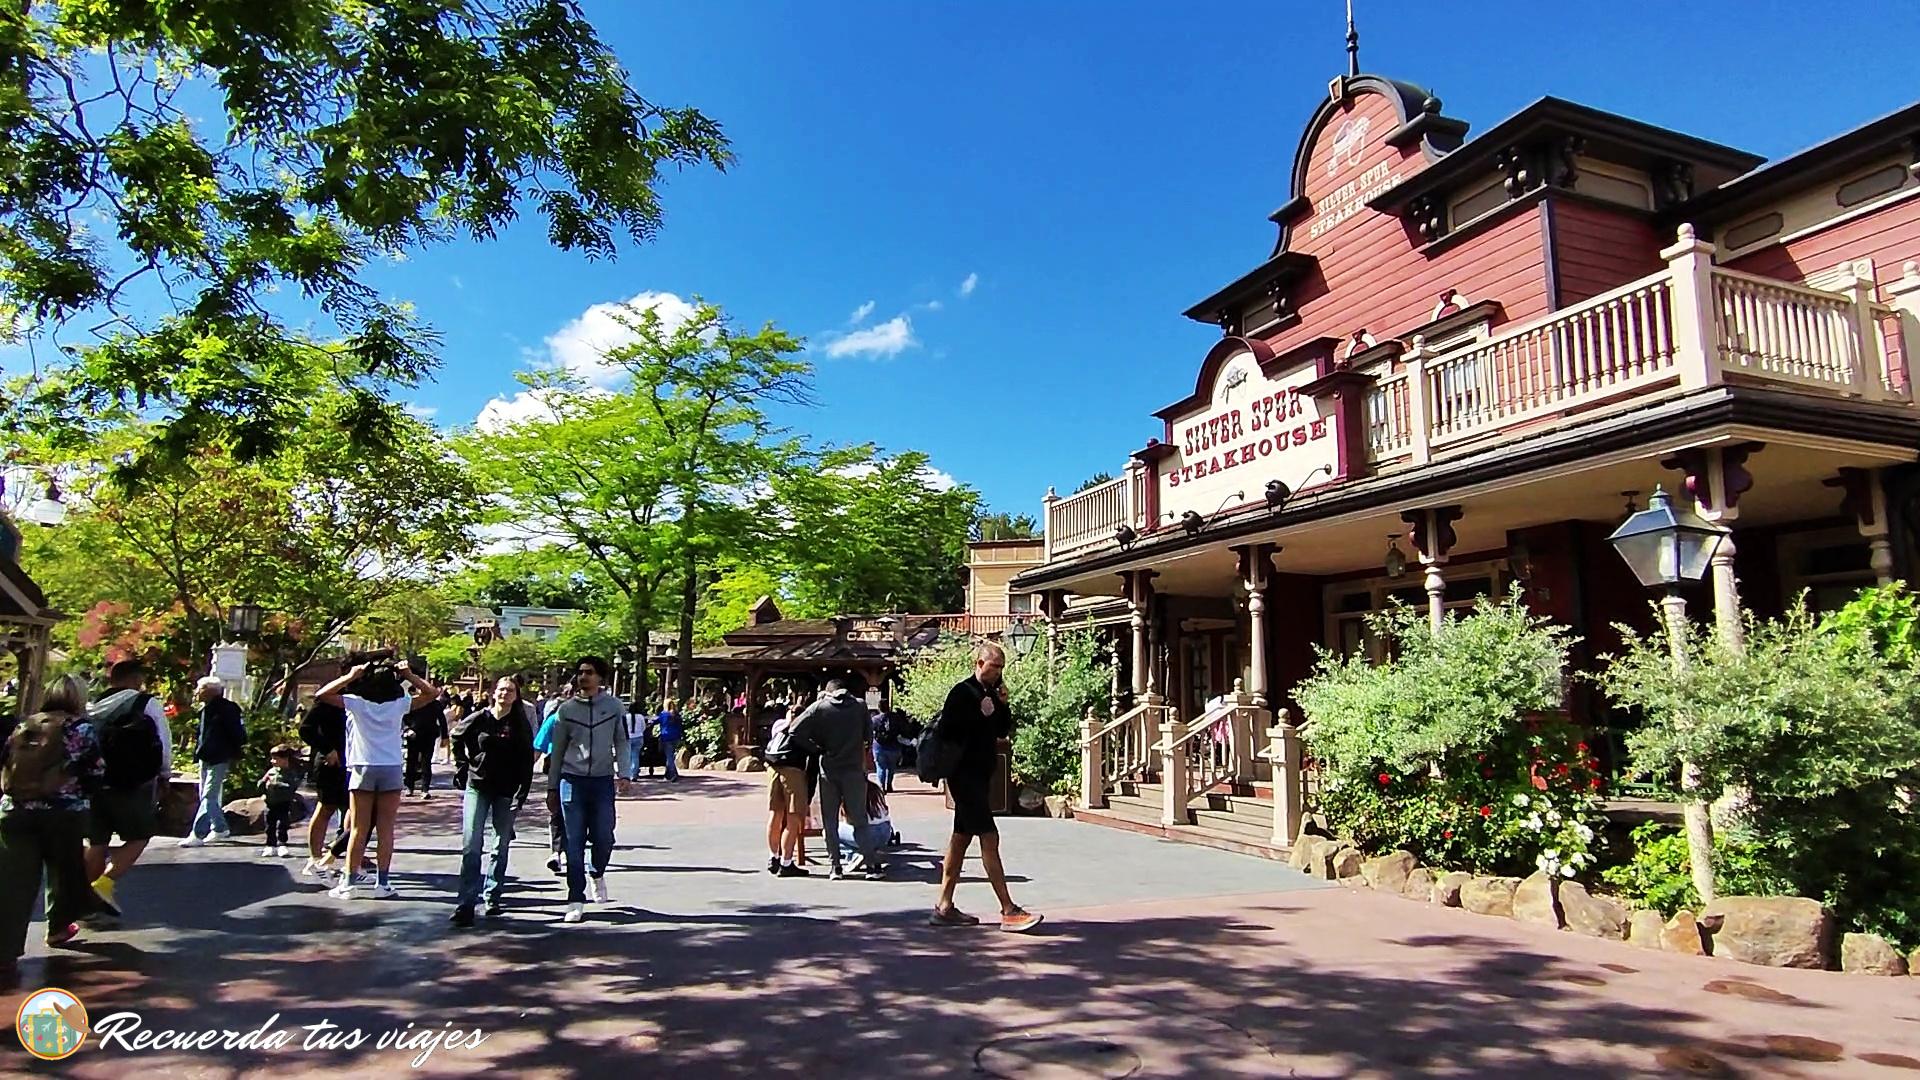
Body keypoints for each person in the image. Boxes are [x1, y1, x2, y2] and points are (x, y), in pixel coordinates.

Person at [931, 643, 1041, 933]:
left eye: (1001, 669)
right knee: (989, 837)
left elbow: (1002, 729)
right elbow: (950, 732)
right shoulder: (961, 692)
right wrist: (979, 713)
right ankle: (1008, 908)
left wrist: (1002, 705)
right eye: (993, 668)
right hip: (963, 776)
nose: (997, 674)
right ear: (979, 664)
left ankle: (944, 906)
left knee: (960, 839)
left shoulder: (992, 693)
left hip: (979, 776)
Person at [0, 675, 105, 962]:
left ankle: (5, 947)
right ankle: (58, 928)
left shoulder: (25, 724)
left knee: (15, 881)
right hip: (63, 812)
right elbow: (95, 772)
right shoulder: (81, 727)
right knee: (62, 873)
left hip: (14, 810)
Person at [317, 659, 438, 899]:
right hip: (391, 766)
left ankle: (349, 883)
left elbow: (322, 694)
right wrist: (409, 674)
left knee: (357, 829)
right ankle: (383, 883)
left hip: (363, 766)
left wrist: (351, 675)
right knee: (386, 829)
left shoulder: (357, 704)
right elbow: (432, 693)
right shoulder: (399, 705)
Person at [83, 658, 174, 917]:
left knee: (96, 840)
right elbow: (163, 741)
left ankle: (85, 900)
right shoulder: (145, 703)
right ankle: (105, 882)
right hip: (132, 782)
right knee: (139, 835)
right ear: (136, 680)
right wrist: (165, 774)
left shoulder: (93, 705)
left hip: (95, 781)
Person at [448, 676, 536, 927]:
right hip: (478, 785)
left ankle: (493, 895)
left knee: (501, 844)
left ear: (516, 696)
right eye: (501, 690)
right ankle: (465, 902)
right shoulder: (480, 718)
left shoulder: (519, 725)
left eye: (510, 691)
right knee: (472, 844)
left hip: (506, 790)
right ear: (493, 693)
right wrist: (463, 764)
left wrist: (522, 795)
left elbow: (526, 762)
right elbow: (456, 735)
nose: (504, 694)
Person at [548, 656, 623, 924]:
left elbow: (622, 741)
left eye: (589, 672)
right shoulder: (566, 710)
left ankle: (597, 871)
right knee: (574, 842)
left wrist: (624, 772)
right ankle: (575, 898)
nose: (584, 677)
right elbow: (556, 751)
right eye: (580, 672)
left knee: (605, 836)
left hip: (602, 780)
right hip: (572, 780)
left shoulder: (614, 707)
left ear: (600, 677)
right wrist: (552, 787)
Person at [792, 673, 883, 881]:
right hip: (853, 771)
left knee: (829, 821)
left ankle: (836, 867)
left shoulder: (820, 708)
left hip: (829, 770)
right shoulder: (860, 706)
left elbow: (795, 730)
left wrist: (816, 748)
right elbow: (869, 736)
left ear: (828, 691)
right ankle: (871, 866)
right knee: (860, 820)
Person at [178, 676, 246, 847]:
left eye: (200, 688)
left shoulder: (227, 709)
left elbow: (239, 734)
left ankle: (198, 833)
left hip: (219, 756)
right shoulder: (205, 710)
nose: (197, 692)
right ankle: (220, 828)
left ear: (210, 690)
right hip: (205, 756)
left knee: (209, 795)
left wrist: (231, 751)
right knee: (206, 796)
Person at [299, 695, 351, 882]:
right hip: (331, 761)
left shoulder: (364, 698)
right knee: (326, 807)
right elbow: (306, 729)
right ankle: (315, 857)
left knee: (354, 810)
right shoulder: (329, 699)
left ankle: (351, 854)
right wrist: (327, 749)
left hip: (355, 760)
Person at [761, 706, 811, 878]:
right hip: (793, 772)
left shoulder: (779, 727)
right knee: (793, 817)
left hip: (773, 769)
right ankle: (787, 862)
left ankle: (773, 857)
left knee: (775, 814)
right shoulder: (803, 731)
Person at [403, 691, 448, 799]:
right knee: (411, 761)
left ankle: (425, 789)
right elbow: (404, 717)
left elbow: (442, 720)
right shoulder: (413, 702)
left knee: (426, 762)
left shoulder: (434, 704)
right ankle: (410, 787)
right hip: (413, 735)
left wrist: (444, 736)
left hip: (429, 735)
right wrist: (407, 729)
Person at [259, 745, 302, 858]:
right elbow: (262, 783)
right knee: (270, 824)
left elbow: (292, 787)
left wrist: (276, 785)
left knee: (283, 824)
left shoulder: (290, 773)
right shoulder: (271, 772)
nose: (273, 761)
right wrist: (263, 785)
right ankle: (270, 845)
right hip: (271, 802)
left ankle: (282, 843)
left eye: (276, 759)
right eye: (272, 758)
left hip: (283, 802)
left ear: (285, 759)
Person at [872, 706, 903, 793]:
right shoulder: (896, 718)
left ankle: (881, 786)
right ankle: (889, 785)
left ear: (879, 707)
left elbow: (870, 732)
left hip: (879, 747)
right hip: (893, 747)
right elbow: (902, 731)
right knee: (891, 768)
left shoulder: (874, 719)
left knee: (880, 767)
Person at [654, 699, 682, 782]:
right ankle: (669, 774)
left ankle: (672, 774)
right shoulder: (676, 715)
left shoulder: (663, 715)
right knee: (671, 756)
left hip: (666, 737)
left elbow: (655, 721)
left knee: (669, 756)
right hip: (676, 737)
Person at [622, 699, 648, 782]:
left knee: (628, 756)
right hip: (638, 737)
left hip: (628, 738)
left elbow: (623, 728)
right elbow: (643, 727)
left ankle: (628, 773)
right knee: (635, 756)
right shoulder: (640, 717)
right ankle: (634, 774)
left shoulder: (626, 717)